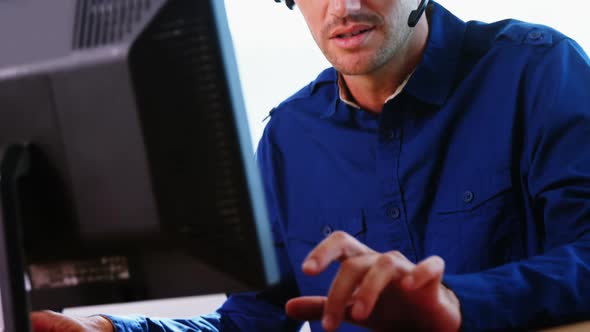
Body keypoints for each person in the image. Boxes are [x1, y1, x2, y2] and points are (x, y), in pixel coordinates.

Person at [31, 0, 590, 331]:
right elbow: (250, 321)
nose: (342, 6)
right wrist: (107, 330)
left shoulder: (536, 71)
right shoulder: (290, 137)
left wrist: (458, 301)